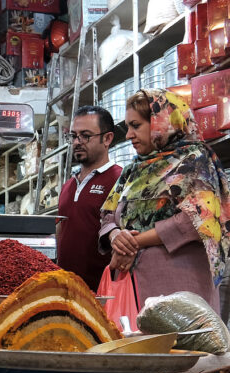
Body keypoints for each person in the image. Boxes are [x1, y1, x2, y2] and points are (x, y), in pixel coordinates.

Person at [100, 88, 230, 311]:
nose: (129, 134)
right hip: (133, 290)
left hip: (181, 290)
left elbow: (197, 220)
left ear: (161, 121)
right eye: (128, 126)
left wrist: (134, 242)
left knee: (180, 345)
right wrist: (115, 237)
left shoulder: (194, 160)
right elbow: (108, 214)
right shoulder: (134, 169)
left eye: (136, 125)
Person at [57, 105, 122, 288]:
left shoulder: (120, 180)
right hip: (65, 289)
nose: (77, 142)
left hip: (102, 292)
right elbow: (61, 232)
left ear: (107, 138)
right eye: (73, 136)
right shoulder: (68, 186)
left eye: (85, 135)